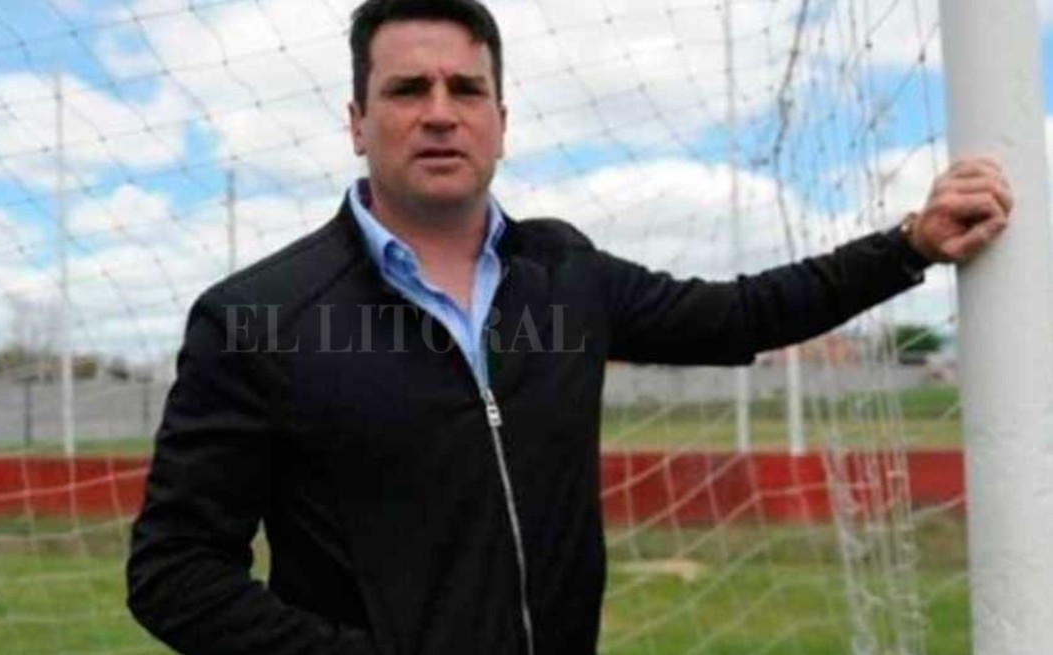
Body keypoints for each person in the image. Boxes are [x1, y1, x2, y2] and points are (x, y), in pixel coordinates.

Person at [125, 1, 1012, 653]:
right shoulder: (257, 316)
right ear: (358, 123)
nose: (440, 110)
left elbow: (741, 312)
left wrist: (909, 245)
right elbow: (175, 572)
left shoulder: (567, 276)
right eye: (406, 89)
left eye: (466, 88)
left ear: (500, 122)